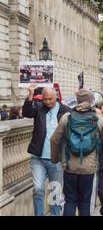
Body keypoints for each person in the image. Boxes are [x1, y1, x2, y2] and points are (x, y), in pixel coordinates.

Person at [51, 89, 103, 216]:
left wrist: (55, 159)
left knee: (70, 200)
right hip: (88, 168)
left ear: (77, 101)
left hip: (70, 166)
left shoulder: (67, 117)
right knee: (85, 203)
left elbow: (54, 140)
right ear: (91, 101)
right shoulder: (97, 118)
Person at [22, 83, 70, 216]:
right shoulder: (39, 108)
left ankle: (55, 214)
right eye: (45, 99)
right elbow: (26, 112)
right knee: (38, 189)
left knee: (55, 192)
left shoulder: (65, 111)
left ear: (56, 97)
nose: (47, 102)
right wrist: (30, 95)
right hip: (38, 158)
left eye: (50, 99)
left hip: (57, 159)